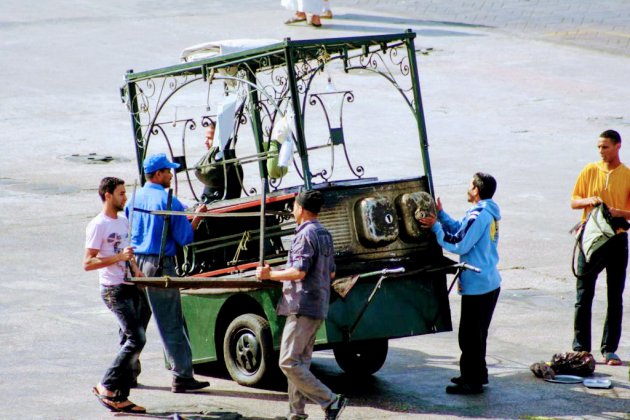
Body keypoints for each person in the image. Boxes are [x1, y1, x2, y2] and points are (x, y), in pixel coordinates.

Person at [256, 190, 347, 420]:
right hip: (318, 305)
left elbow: (298, 271)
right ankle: (296, 413)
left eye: (294, 206)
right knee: (300, 362)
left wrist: (270, 274)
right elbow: (332, 272)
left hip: (302, 305)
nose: (292, 210)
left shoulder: (305, 235)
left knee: (287, 361)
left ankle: (331, 400)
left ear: (302, 209)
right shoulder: (325, 233)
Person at [127, 153, 211, 393]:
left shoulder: (133, 197)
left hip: (135, 264)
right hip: (159, 264)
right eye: (167, 171)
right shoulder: (169, 200)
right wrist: (196, 219)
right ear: (157, 174)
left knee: (135, 324)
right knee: (171, 323)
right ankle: (182, 376)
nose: (171, 176)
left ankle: (127, 372)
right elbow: (184, 238)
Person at [416, 173, 501, 395]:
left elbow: (459, 244)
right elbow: (460, 229)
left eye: (470, 185)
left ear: (476, 190)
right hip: (487, 281)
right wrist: (442, 216)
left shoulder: (480, 214)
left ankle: (471, 383)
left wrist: (435, 228)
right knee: (476, 335)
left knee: (470, 336)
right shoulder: (486, 211)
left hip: (479, 285)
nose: (468, 188)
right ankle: (475, 375)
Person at [84, 177, 146, 413]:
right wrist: (117, 259)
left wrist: (136, 270)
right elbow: (88, 263)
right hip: (113, 289)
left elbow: (126, 252)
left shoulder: (123, 221)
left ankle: (120, 396)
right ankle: (106, 385)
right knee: (136, 339)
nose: (125, 197)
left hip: (130, 284)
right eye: (121, 193)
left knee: (128, 340)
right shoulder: (98, 225)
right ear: (107, 195)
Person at [570, 129, 630, 366]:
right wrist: (590, 200)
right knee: (583, 295)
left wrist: (619, 212)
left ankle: (610, 349)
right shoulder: (589, 170)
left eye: (605, 147)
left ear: (618, 146)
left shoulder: (626, 175)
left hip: (616, 239)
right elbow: (574, 201)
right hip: (590, 239)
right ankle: (581, 348)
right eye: (599, 147)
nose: (601, 151)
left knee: (615, 296)